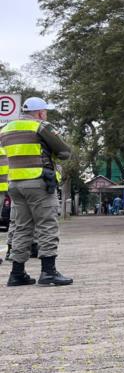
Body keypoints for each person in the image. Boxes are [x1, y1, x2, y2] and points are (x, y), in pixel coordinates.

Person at [0, 97, 73, 286]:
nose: (45, 115)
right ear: (40, 113)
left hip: (15, 183)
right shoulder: (41, 126)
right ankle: (48, 272)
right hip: (38, 182)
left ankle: (17, 274)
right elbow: (64, 151)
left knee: (21, 227)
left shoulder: (6, 129)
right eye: (45, 112)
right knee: (46, 225)